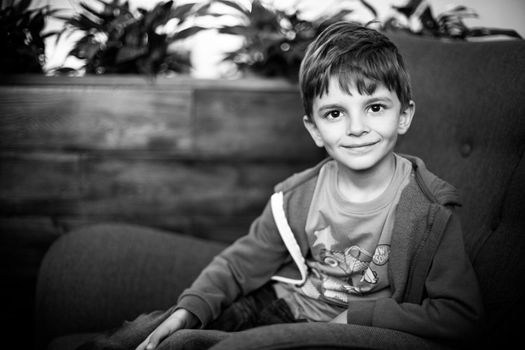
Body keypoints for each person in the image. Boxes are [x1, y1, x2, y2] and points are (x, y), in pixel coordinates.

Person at [80, 21, 484, 350]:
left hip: (345, 335)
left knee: (189, 344)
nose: (357, 128)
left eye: (374, 107)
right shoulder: (297, 196)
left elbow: (460, 316)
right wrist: (189, 309)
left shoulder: (432, 211)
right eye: (334, 113)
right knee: (157, 329)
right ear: (314, 129)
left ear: (404, 115)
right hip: (281, 306)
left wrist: (362, 316)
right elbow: (240, 265)